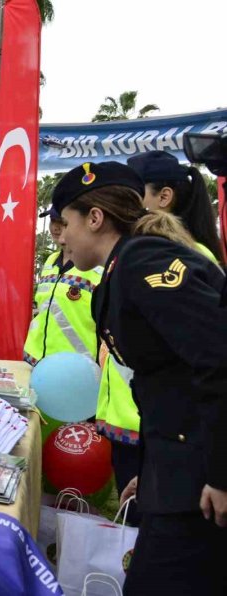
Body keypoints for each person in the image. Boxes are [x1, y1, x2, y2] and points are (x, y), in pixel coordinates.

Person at [53, 161, 227, 594]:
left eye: (65, 224)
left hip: (200, 482)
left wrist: (222, 474)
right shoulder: (125, 266)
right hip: (176, 471)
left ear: (95, 218)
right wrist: (152, 472)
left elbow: (218, 360)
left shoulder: (144, 263)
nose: (61, 237)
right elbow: (165, 381)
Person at [94, 151, 224, 523]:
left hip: (180, 439)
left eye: (131, 195)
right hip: (141, 421)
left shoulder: (169, 257)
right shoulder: (133, 255)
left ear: (163, 197)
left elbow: (212, 359)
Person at [22, 208, 102, 366]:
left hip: (73, 367)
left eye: (62, 222)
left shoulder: (96, 267)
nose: (56, 227)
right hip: (35, 361)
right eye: (53, 221)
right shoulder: (50, 261)